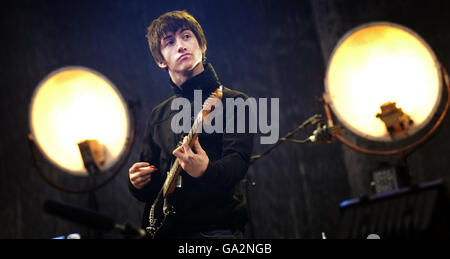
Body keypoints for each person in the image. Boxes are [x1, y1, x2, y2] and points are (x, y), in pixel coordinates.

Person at [128, 10, 254, 239]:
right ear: (160, 60)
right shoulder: (158, 115)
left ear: (202, 46)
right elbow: (152, 182)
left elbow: (238, 163)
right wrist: (137, 183)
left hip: (217, 230)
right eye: (170, 42)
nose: (181, 45)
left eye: (186, 36)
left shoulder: (235, 102)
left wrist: (206, 171)